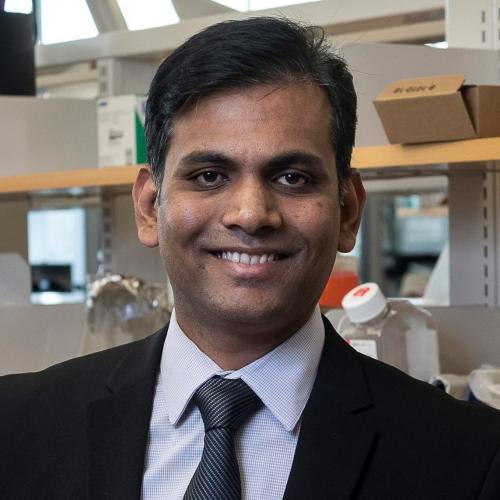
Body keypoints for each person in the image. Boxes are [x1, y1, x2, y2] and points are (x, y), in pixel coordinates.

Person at [1, 17, 500, 500]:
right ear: (150, 208)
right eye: (209, 176)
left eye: (292, 178)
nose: (251, 214)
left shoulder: (470, 456)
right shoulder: (18, 425)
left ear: (348, 210)